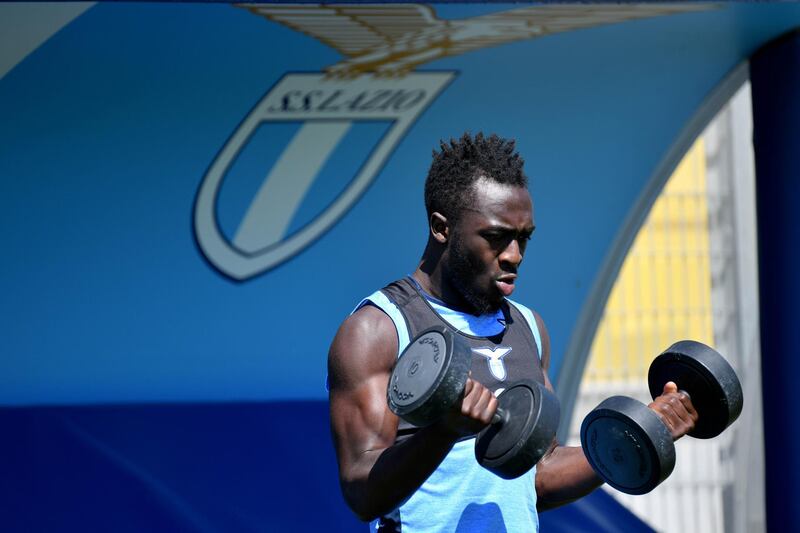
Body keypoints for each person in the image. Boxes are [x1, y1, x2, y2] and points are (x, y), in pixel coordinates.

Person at [327, 132, 698, 532]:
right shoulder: (378, 330)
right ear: (441, 228)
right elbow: (362, 494)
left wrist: (640, 431)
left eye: (523, 238)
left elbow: (537, 477)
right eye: (496, 237)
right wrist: (444, 431)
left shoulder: (529, 328)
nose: (514, 255)